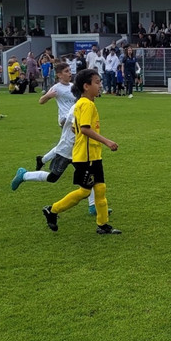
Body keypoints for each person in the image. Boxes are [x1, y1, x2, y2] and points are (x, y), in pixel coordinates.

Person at [42, 68, 122, 235]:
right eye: (97, 83)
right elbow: (85, 129)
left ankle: (103, 225)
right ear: (86, 86)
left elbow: (75, 126)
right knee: (85, 191)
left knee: (100, 189)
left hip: (93, 155)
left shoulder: (83, 103)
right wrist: (107, 141)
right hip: (84, 157)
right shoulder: (85, 104)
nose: (100, 86)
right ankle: (53, 210)